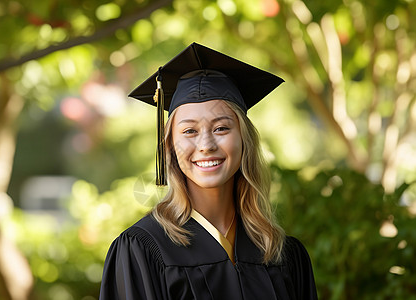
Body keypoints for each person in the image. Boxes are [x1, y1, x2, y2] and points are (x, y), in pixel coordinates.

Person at [99, 42, 318, 300]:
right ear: (169, 145)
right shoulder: (142, 250)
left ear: (244, 139)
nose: (206, 145)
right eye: (189, 131)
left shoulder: (283, 254)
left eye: (221, 128)